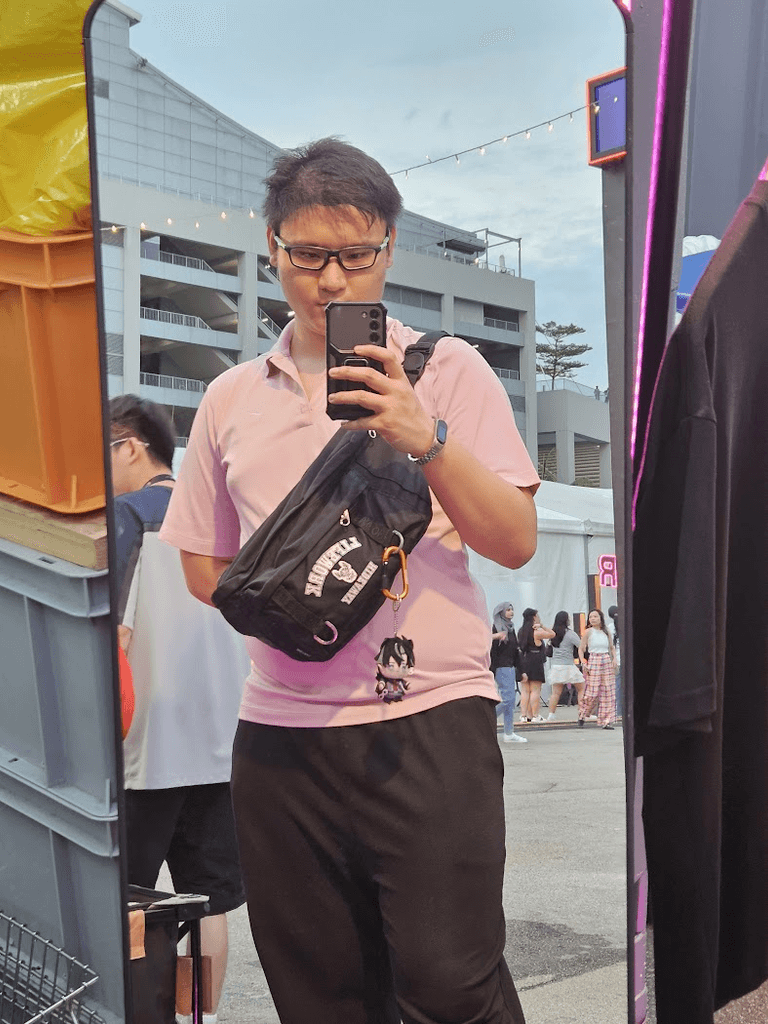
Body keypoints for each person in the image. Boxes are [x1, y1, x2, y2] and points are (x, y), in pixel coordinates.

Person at [158, 137, 540, 1024]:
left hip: (431, 719)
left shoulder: (449, 370)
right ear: (272, 247)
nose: (331, 280)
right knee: (320, 997)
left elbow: (515, 540)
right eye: (308, 255)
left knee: (450, 986)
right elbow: (202, 563)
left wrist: (425, 437)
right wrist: (294, 607)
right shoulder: (230, 398)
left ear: (389, 249)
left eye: (356, 255)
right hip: (281, 739)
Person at [109, 395, 250, 1021]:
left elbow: (114, 633)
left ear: (130, 446)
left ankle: (132, 1011)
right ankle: (202, 1017)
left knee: (126, 900)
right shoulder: (225, 517)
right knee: (209, 901)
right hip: (221, 740)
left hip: (147, 744)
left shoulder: (128, 517)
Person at [491, 602, 527, 744]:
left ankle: (509, 732)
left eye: (512, 609)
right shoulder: (496, 628)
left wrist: (521, 671)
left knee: (510, 701)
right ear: (501, 612)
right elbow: (491, 650)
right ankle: (488, 718)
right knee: (508, 700)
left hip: (510, 667)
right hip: (501, 667)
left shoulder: (510, 628)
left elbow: (515, 651)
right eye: (507, 610)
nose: (511, 612)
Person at [577, 608, 617, 730]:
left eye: (595, 616)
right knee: (592, 692)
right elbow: (581, 648)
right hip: (594, 659)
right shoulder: (588, 632)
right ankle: (583, 714)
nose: (593, 619)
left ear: (600, 618)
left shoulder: (606, 631)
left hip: (606, 659)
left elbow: (611, 647)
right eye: (591, 617)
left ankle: (607, 720)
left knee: (608, 691)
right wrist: (583, 662)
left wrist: (614, 659)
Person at [516, 608, 554, 723]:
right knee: (535, 690)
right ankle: (535, 715)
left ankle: (524, 715)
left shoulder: (521, 631)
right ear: (534, 617)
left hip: (523, 661)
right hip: (535, 661)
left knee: (525, 690)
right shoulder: (536, 632)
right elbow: (552, 634)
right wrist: (542, 626)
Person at [546, 611, 585, 721]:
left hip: (556, 666)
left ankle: (551, 714)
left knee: (555, 693)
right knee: (581, 688)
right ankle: (582, 712)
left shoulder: (552, 634)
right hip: (568, 665)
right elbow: (581, 645)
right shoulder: (570, 634)